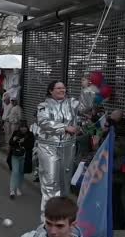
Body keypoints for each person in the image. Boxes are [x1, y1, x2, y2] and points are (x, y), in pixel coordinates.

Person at [36, 80, 89, 220]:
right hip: (48, 147)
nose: (62, 90)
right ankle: (47, 220)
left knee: (65, 185)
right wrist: (64, 128)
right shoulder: (44, 106)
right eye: (58, 88)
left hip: (68, 147)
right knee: (51, 184)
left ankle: (63, 218)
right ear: (51, 91)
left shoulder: (72, 103)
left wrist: (86, 89)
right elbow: (43, 122)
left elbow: (86, 106)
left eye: (63, 88)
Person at [7, 121, 35, 199]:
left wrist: (24, 142)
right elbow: (10, 142)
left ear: (27, 127)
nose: (23, 129)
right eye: (21, 127)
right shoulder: (16, 133)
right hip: (15, 156)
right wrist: (14, 139)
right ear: (19, 127)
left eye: (24, 127)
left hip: (24, 157)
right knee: (15, 172)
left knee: (21, 173)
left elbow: (31, 145)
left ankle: (19, 188)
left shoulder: (30, 135)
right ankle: (12, 191)